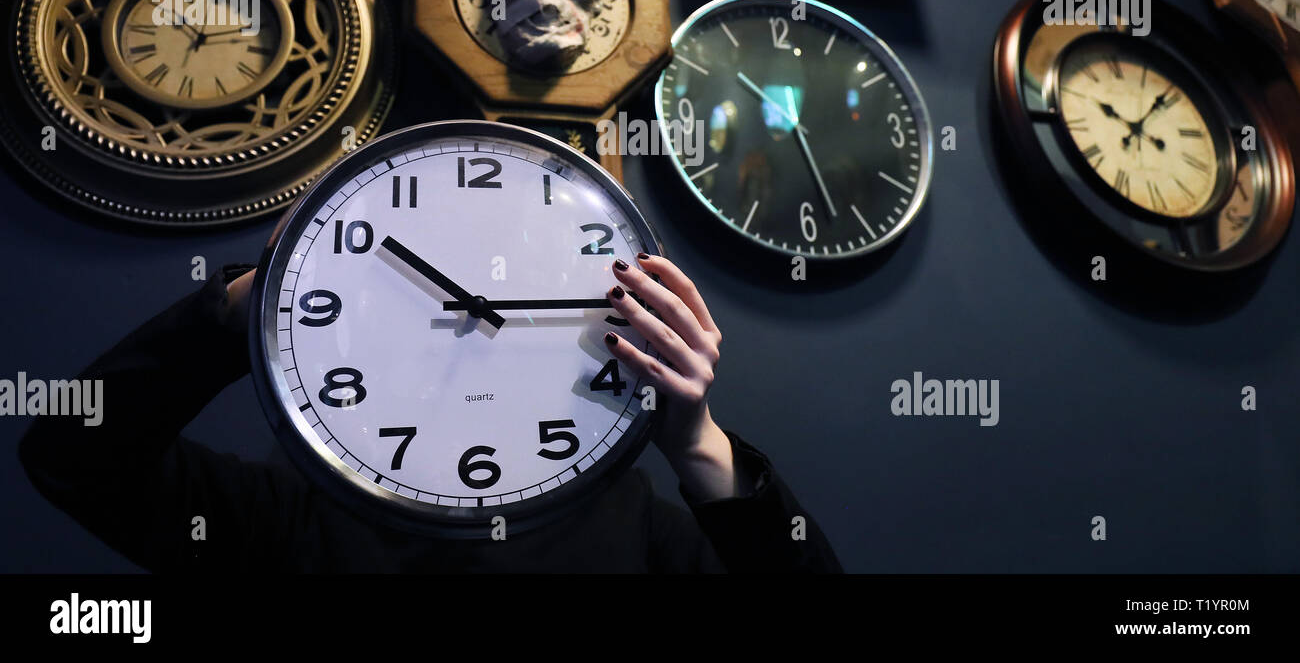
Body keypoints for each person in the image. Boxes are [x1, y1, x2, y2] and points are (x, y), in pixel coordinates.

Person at [20, 253, 841, 572]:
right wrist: (236, 312)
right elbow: (71, 456)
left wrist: (696, 439)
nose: (476, 325)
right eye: (434, 317)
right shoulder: (289, 511)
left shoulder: (636, 526)